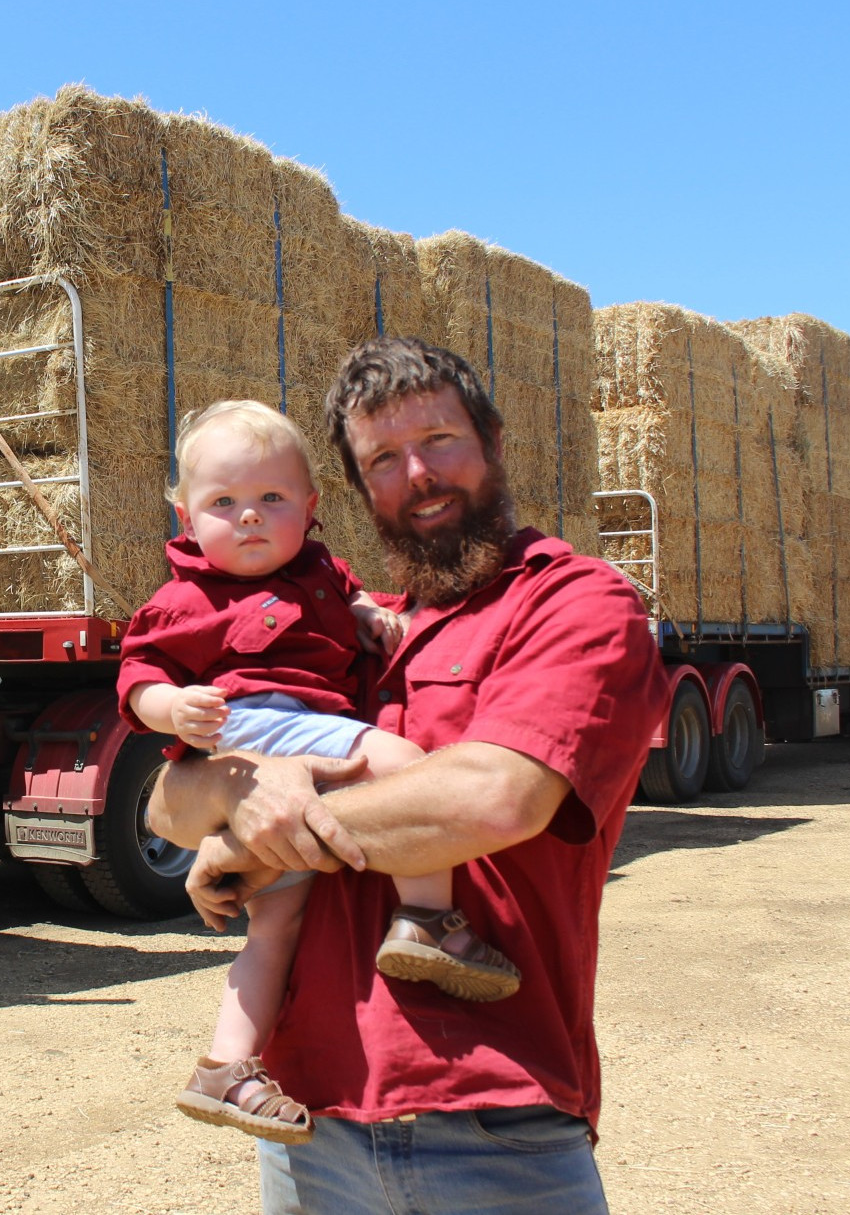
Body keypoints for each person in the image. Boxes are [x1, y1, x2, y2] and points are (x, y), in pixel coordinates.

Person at [146, 339, 669, 1215]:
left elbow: (491, 799)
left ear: (495, 441)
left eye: (441, 440)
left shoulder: (573, 602)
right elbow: (167, 804)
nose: (418, 473)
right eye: (384, 458)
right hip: (311, 1116)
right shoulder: (352, 635)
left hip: (493, 1114)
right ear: (353, 491)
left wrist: (245, 834)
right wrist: (241, 792)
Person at [115, 400, 519, 1148]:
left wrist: (365, 612)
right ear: (183, 515)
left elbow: (350, 593)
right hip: (251, 719)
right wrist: (174, 707)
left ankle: (225, 1066)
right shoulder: (186, 598)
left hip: (291, 726)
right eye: (222, 503)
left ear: (311, 506)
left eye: (271, 499)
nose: (248, 518)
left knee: (276, 924)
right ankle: (429, 917)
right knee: (400, 767)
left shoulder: (323, 571)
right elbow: (137, 678)